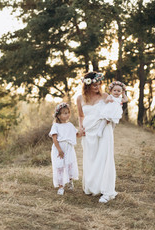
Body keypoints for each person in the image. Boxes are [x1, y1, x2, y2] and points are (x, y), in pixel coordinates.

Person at [77, 72, 118, 203]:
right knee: (91, 158)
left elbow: (112, 111)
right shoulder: (80, 98)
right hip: (89, 131)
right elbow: (81, 115)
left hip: (104, 130)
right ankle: (94, 186)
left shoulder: (105, 96)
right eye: (94, 84)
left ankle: (106, 190)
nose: (97, 86)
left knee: (104, 158)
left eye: (98, 84)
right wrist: (81, 127)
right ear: (87, 84)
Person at [49, 102, 81, 195]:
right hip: (59, 148)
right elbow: (54, 138)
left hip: (69, 148)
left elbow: (77, 135)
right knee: (59, 166)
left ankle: (70, 182)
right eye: (64, 113)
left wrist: (83, 132)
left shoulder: (70, 125)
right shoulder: (56, 126)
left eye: (68, 113)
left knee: (70, 164)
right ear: (58, 115)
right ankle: (60, 186)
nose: (67, 115)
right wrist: (59, 150)